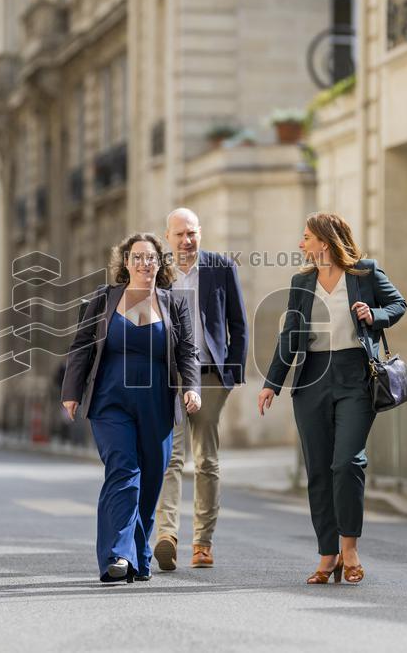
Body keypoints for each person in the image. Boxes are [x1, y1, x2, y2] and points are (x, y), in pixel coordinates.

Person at [257, 212, 406, 585]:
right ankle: (328, 554)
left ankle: (349, 548)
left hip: (356, 377)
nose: (301, 244)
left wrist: (374, 314)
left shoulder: (365, 273)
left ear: (324, 241)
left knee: (347, 462)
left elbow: (398, 304)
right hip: (312, 380)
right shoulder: (302, 282)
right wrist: (272, 383)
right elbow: (290, 334)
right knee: (319, 470)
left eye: (306, 237)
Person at [61, 233, 201, 583]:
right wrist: (71, 391)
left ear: (159, 263)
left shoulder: (174, 303)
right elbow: (81, 346)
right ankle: (118, 555)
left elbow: (187, 351)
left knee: (151, 478)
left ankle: (140, 554)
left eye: (150, 257)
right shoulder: (104, 298)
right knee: (123, 470)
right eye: (136, 257)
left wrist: (192, 388)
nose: (144, 263)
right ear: (125, 262)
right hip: (110, 399)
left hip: (157, 402)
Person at [153, 208, 247, 571]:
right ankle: (167, 536)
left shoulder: (221, 267)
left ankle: (202, 543)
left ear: (200, 233)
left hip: (209, 377)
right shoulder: (159, 273)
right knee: (171, 459)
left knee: (206, 460)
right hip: (170, 377)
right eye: (179, 234)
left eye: (191, 233)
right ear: (167, 237)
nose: (186, 240)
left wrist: (231, 375)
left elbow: (238, 323)